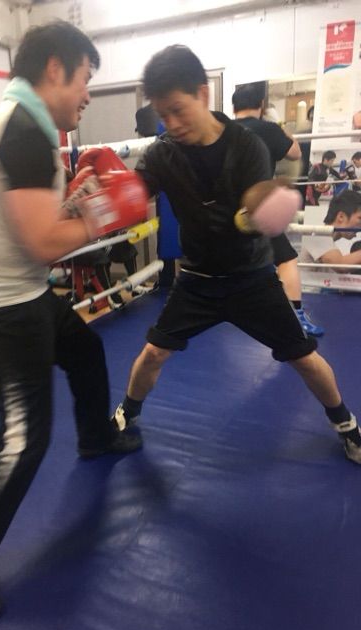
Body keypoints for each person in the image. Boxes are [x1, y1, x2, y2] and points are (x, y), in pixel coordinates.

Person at [0, 21, 145, 624]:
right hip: (5, 306)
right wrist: (104, 213)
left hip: (24, 292)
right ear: (55, 69)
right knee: (23, 440)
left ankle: (95, 436)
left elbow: (32, 222)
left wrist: (74, 201)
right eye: (85, 79)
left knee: (85, 350)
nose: (88, 95)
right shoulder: (20, 130)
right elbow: (46, 243)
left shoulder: (29, 125)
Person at [112, 45, 361, 476]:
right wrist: (104, 196)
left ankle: (347, 426)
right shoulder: (163, 152)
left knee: (303, 356)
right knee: (153, 352)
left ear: (202, 93)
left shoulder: (247, 147)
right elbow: (135, 194)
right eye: (163, 115)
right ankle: (126, 415)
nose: (171, 124)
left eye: (178, 110)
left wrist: (259, 216)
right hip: (197, 281)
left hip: (250, 279)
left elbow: (252, 208)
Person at [232, 83, 324, 337]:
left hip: (226, 209)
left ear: (233, 106)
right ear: (261, 105)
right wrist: (281, 129)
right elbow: (295, 153)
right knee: (286, 259)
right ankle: (296, 317)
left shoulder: (225, 130)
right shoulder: (268, 129)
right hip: (259, 208)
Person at [299, 191, 361, 268]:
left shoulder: (325, 239)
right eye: (360, 218)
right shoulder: (317, 237)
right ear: (341, 217)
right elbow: (340, 264)